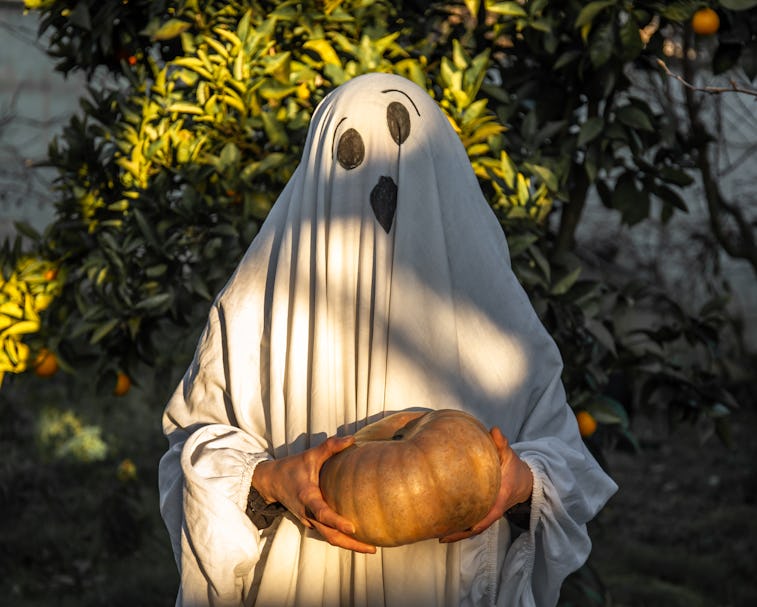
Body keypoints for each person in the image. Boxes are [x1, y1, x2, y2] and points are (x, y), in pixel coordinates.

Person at [158, 72, 617, 607]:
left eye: (404, 150)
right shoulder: (252, 310)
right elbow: (192, 451)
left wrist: (522, 484)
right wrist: (269, 478)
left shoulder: (498, 319)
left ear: (439, 168)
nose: (382, 188)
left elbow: (566, 462)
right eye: (350, 156)